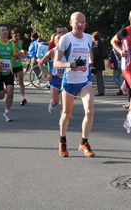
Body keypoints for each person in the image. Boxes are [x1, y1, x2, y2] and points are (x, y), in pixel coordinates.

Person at [54, 12, 95, 158]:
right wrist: (70, 65)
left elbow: (89, 52)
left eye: (83, 22)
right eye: (77, 22)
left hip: (85, 80)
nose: (80, 25)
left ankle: (84, 142)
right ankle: (62, 141)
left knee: (90, 112)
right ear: (70, 22)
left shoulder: (89, 38)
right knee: (66, 114)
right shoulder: (65, 39)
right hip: (70, 82)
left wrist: (91, 64)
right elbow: (56, 62)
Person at [39, 34, 64, 114]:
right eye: (58, 40)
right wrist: (47, 74)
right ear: (55, 42)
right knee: (56, 101)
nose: (60, 42)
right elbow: (40, 63)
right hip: (54, 79)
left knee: (65, 102)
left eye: (62, 40)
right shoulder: (52, 52)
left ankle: (63, 118)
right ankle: (52, 103)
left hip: (65, 79)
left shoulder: (67, 52)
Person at [11, 28, 27, 105]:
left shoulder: (20, 42)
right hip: (11, 65)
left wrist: (23, 53)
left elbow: (23, 52)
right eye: (15, 36)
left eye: (18, 36)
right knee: (9, 84)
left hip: (18, 64)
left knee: (21, 80)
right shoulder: (9, 43)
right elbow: (10, 56)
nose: (17, 38)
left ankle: (22, 97)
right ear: (12, 35)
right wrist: (17, 56)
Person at [91, 31, 105, 96]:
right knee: (99, 77)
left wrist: (92, 58)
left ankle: (101, 91)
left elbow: (96, 54)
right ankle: (101, 90)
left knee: (98, 78)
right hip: (100, 62)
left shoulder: (97, 44)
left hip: (98, 63)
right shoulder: (100, 43)